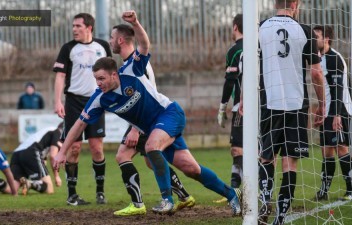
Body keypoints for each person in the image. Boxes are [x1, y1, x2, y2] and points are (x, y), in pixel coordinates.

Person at [54, 10, 242, 216]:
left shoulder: (130, 70)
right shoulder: (100, 97)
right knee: (192, 169)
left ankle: (167, 200)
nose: (98, 84)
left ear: (114, 74)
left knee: (152, 147)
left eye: (101, 79)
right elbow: (79, 124)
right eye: (95, 80)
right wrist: (62, 152)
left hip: (169, 114)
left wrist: (135, 23)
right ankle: (233, 195)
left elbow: (144, 45)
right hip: (153, 128)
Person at [109, 24, 195, 216]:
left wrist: (134, 129)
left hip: (148, 120)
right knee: (151, 161)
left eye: (111, 37)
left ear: (120, 40)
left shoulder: (137, 62)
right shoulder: (129, 63)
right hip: (150, 120)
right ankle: (183, 195)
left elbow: (147, 96)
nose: (110, 41)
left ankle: (138, 204)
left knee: (122, 155)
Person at [255, 1, 325, 224]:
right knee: (289, 162)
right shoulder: (305, 31)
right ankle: (280, 217)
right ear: (295, 3)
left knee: (266, 157)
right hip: (296, 105)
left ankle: (265, 197)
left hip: (269, 102)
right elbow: (315, 73)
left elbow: (250, 66)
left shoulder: (260, 27)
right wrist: (322, 103)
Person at [53, 13, 112, 205]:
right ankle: (72, 195)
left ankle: (100, 193)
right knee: (74, 147)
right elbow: (60, 76)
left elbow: (112, 73)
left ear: (89, 28)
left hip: (97, 101)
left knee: (96, 148)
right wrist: (57, 101)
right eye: (73, 26)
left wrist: (112, 96)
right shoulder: (68, 48)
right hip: (73, 102)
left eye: (78, 26)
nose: (74, 29)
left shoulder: (103, 46)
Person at [313, 25, 352, 202]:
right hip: (327, 111)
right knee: (326, 150)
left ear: (326, 39)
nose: (314, 40)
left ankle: (351, 189)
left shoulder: (334, 58)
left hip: (339, 110)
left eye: (317, 37)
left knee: (341, 148)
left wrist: (337, 115)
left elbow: (338, 89)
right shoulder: (319, 58)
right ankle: (323, 190)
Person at [0, 123, 64, 195]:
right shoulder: (58, 132)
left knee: (12, 188)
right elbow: (53, 156)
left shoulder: (47, 131)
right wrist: (57, 176)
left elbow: (44, 156)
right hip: (31, 152)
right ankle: (30, 183)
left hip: (17, 153)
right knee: (49, 189)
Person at [217, 14, 244, 194]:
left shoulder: (235, 50)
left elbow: (230, 80)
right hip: (266, 108)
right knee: (242, 149)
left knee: (237, 149)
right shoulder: (261, 46)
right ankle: (236, 191)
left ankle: (241, 191)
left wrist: (221, 108)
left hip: (242, 109)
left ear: (235, 27)